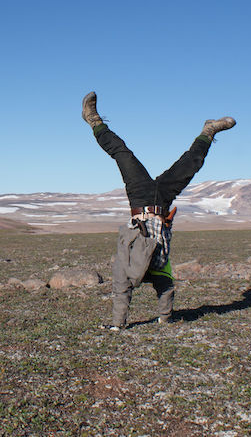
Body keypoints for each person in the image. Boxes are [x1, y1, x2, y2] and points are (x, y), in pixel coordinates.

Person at [81, 91, 236, 330]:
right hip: (163, 201)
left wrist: (116, 325)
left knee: (122, 154)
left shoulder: (126, 262)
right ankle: (208, 131)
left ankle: (93, 120)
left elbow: (121, 288)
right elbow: (165, 287)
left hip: (139, 197)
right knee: (190, 164)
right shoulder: (161, 261)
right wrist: (165, 319)